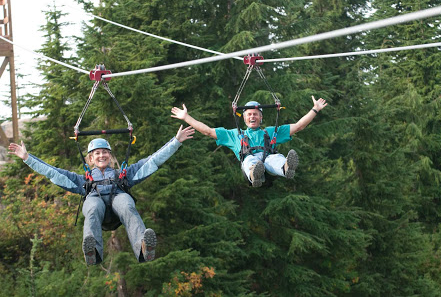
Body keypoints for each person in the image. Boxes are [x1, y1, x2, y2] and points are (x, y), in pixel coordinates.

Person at [8, 125, 195, 265]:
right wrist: (27, 158)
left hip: (118, 205)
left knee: (126, 203)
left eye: (105, 152)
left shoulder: (123, 175)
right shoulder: (84, 181)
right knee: (91, 206)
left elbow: (153, 161)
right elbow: (53, 172)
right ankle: (93, 253)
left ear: (110, 155)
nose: (101, 156)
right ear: (91, 158)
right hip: (96, 207)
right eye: (97, 153)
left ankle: (144, 249)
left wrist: (175, 142)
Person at [171, 96, 327, 187]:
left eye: (256, 114)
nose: (252, 117)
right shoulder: (234, 135)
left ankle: (286, 167)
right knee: (251, 160)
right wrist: (186, 118)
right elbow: (207, 131)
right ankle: (255, 173)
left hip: (268, 160)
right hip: (249, 165)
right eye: (249, 114)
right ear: (244, 118)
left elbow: (299, 126)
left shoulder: (271, 132)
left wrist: (315, 109)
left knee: (274, 159)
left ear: (261, 117)